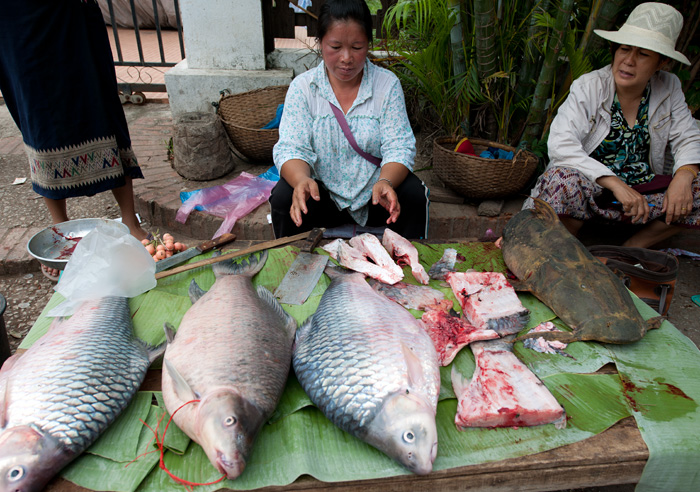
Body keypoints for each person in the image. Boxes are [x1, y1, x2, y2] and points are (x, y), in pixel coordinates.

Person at [525, 2, 700, 248]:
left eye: (643, 54)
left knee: (696, 183)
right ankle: (569, 248)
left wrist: (684, 176)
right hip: (595, 194)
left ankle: (630, 250)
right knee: (561, 178)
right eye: (624, 49)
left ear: (661, 64)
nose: (629, 61)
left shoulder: (668, 87)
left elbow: (689, 136)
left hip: (642, 200)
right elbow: (561, 146)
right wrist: (615, 183)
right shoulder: (589, 86)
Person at [0, 1, 148, 280]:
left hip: (71, 14)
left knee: (100, 103)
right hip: (15, 18)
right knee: (36, 112)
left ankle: (130, 222)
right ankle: (60, 234)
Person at [269, 0, 429, 239]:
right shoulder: (303, 88)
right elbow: (292, 147)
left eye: (357, 47)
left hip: (377, 197)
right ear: (321, 42)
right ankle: (293, 266)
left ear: (368, 44)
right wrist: (302, 179)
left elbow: (400, 147)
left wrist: (386, 181)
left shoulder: (387, 84)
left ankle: (410, 267)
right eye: (335, 46)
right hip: (322, 197)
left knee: (414, 194)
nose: (346, 58)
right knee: (284, 196)